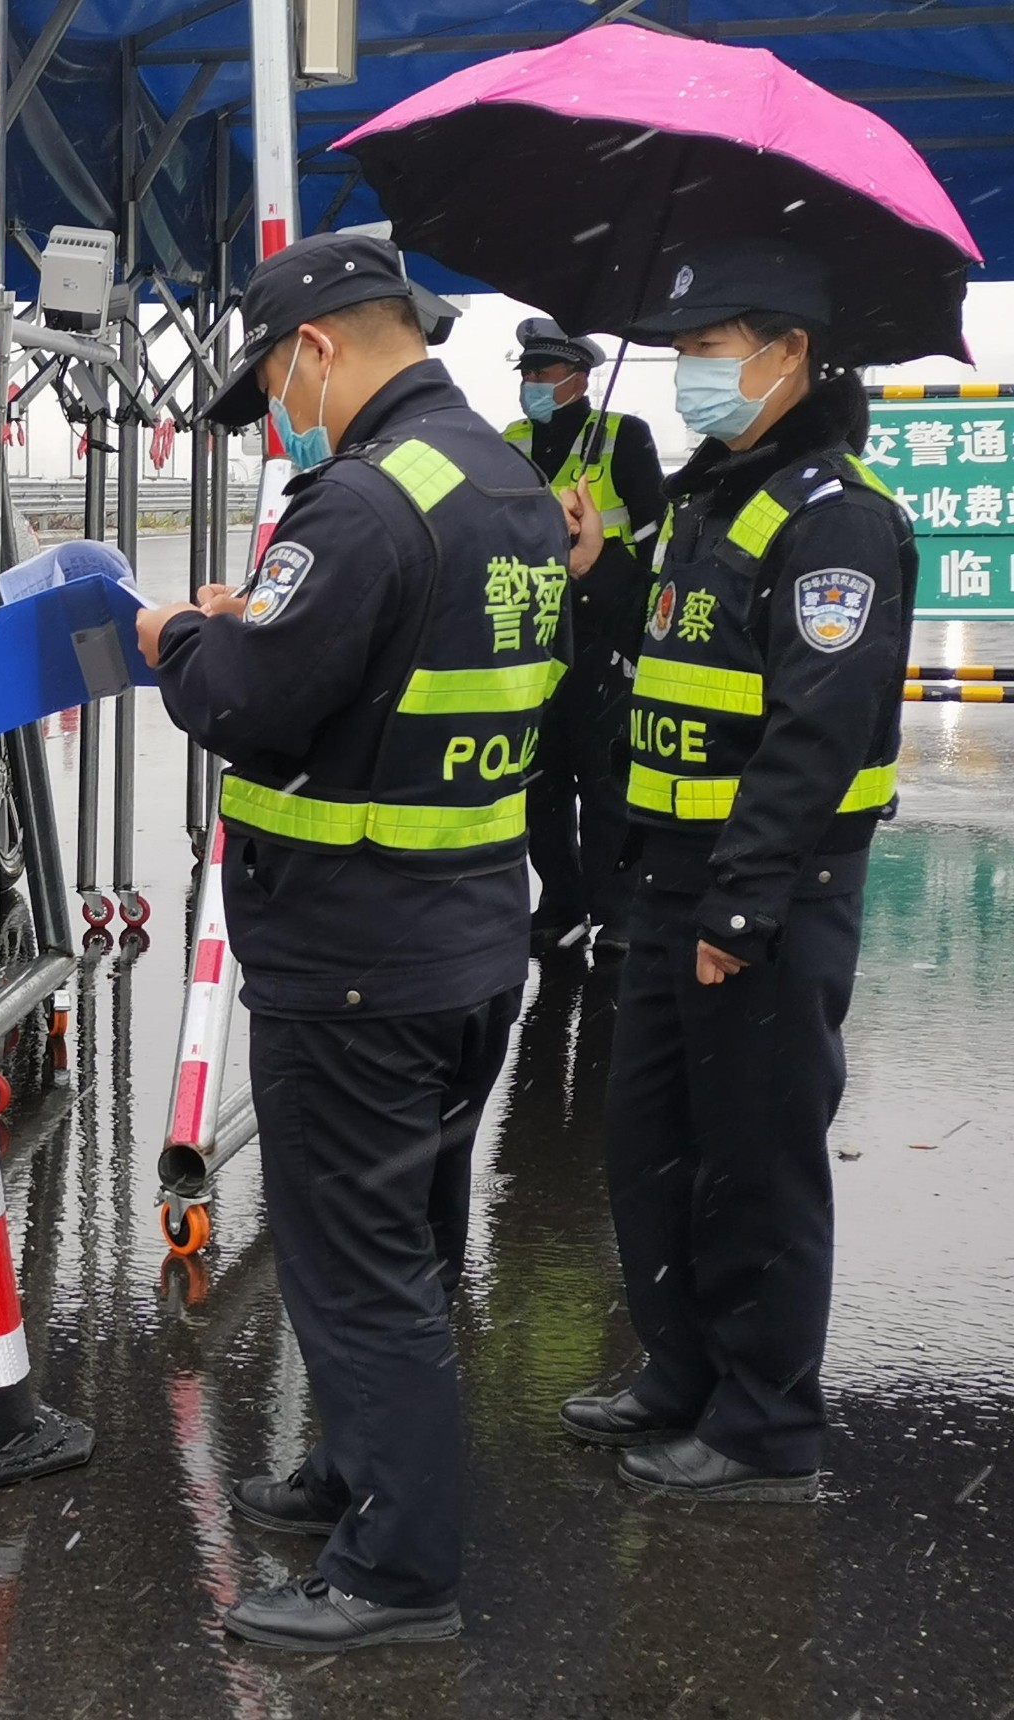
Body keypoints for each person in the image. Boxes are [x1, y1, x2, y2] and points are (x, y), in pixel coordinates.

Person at [133, 232, 571, 1652]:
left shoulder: (367, 504)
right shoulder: (504, 481)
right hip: (461, 936)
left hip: (357, 955)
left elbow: (246, 700)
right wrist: (254, 625)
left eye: (272, 386)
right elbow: (394, 668)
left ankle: (396, 1571)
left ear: (315, 348)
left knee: (356, 1265)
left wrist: (177, 635)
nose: (279, 418)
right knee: (406, 1241)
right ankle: (353, 1471)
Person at [559, 241, 914, 1500]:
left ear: (788, 355)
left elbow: (817, 731)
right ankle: (682, 1372)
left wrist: (746, 904)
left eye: (707, 353)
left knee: (755, 1163)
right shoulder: (710, 499)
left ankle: (766, 1425)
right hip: (667, 883)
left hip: (764, 897)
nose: (688, 375)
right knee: (653, 1147)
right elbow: (669, 658)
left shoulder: (836, 519)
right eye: (680, 354)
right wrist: (599, 564)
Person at [506, 319, 667, 954]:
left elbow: (655, 539)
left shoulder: (623, 437)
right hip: (534, 635)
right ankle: (560, 904)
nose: (531, 384)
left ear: (578, 378)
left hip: (605, 631)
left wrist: (633, 623)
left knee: (606, 781)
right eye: (525, 373)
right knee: (539, 783)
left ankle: (619, 908)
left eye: (542, 374)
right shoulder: (511, 441)